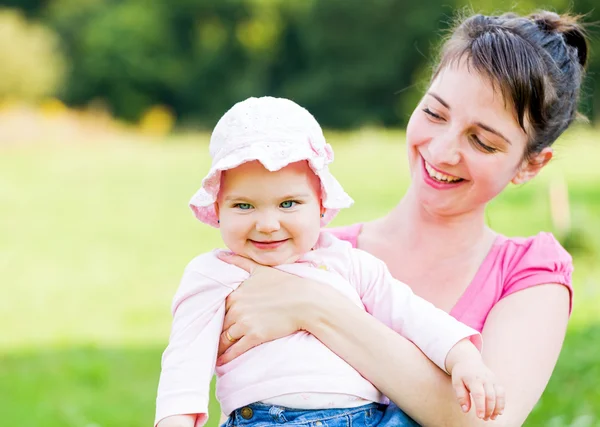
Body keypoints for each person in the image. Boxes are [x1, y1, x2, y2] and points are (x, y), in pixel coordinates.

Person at [215, 10, 589, 427]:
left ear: (530, 165)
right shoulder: (308, 251)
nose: (443, 151)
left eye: (482, 141)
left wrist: (315, 308)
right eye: (435, 113)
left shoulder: (529, 275)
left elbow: (483, 423)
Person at [154, 96, 506, 427]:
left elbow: (412, 314)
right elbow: (183, 366)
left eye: (288, 203)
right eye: (243, 205)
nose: (267, 224)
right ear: (217, 210)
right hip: (271, 418)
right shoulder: (214, 274)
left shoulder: (347, 263)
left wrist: (463, 358)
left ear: (321, 205)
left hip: (371, 416)